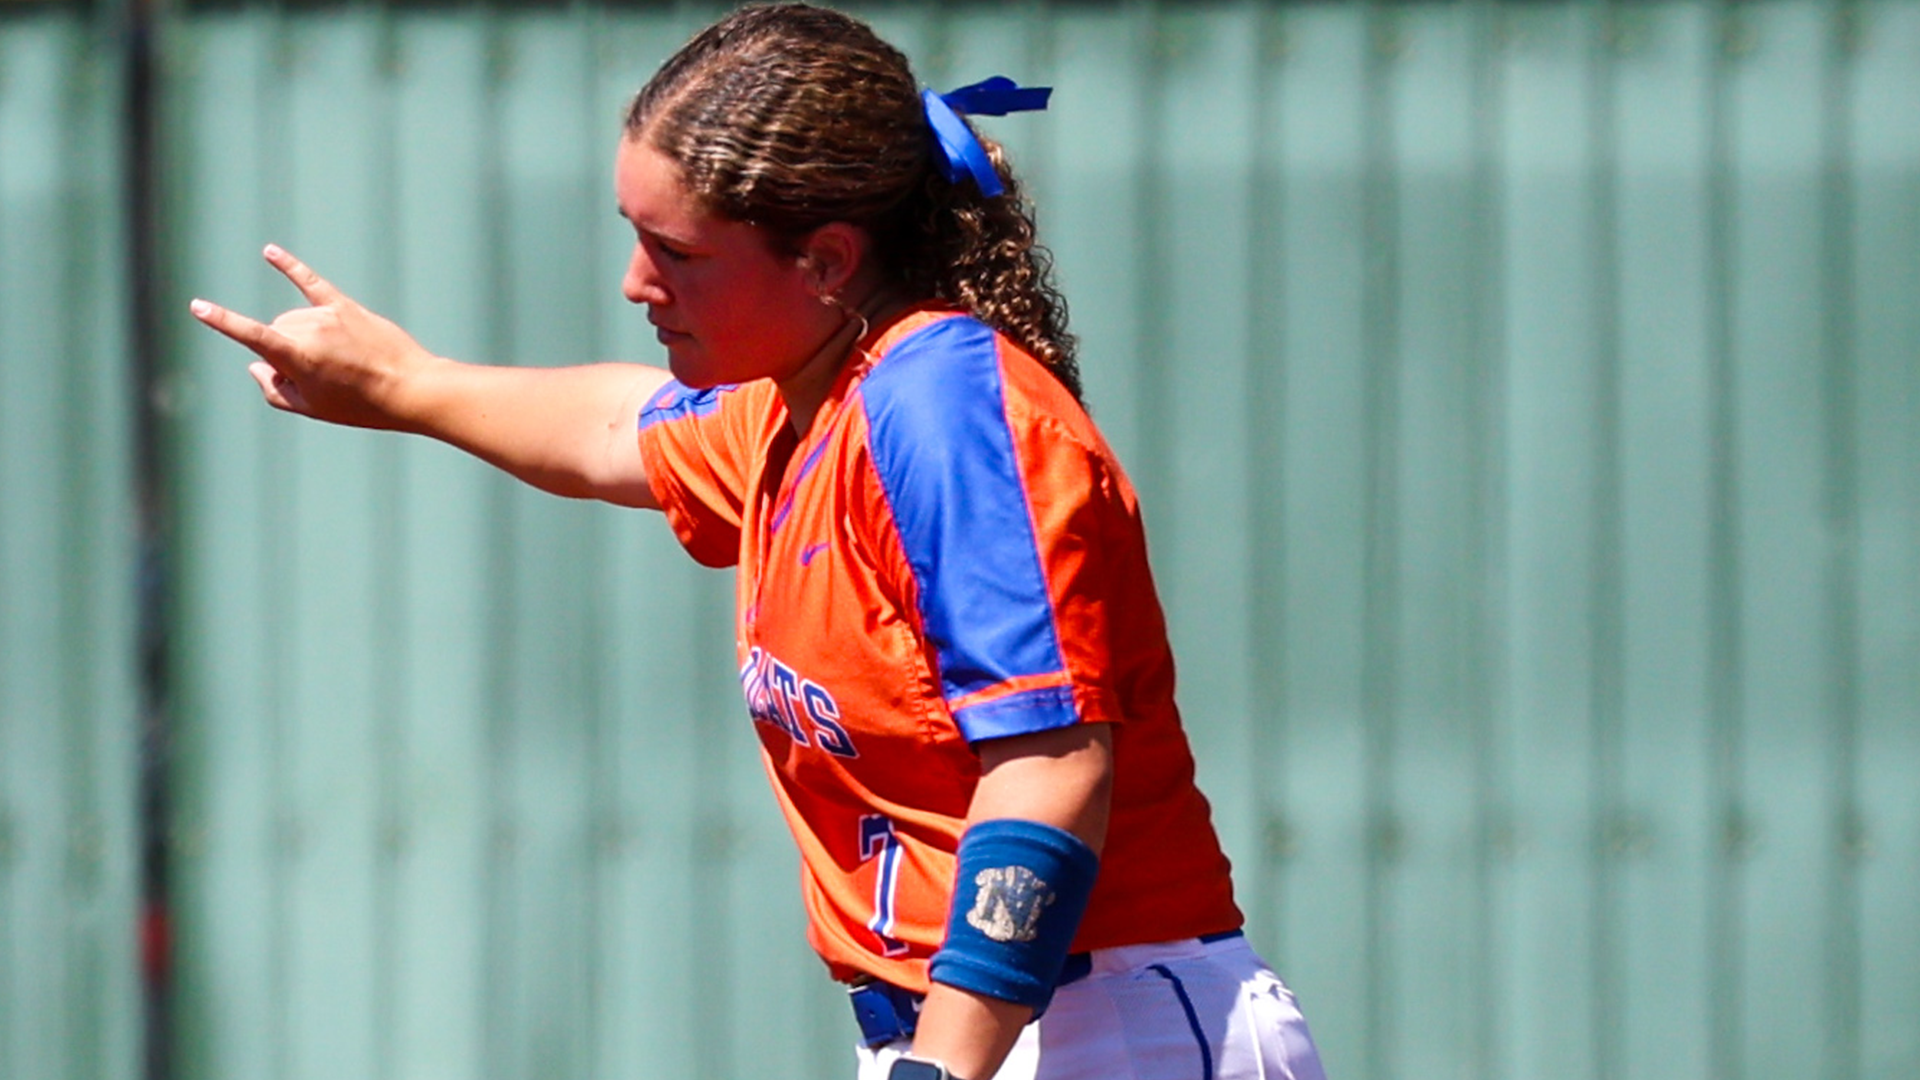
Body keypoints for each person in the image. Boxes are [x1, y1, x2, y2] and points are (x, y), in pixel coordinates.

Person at [189, 5, 1327, 1079]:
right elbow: (610, 432)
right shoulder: (806, 406)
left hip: (1096, 1026)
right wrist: (401, 382)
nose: (637, 283)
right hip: (987, 1028)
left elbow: (1048, 766)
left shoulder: (943, 406)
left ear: (828, 261)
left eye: (675, 251)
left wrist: (944, 1062)